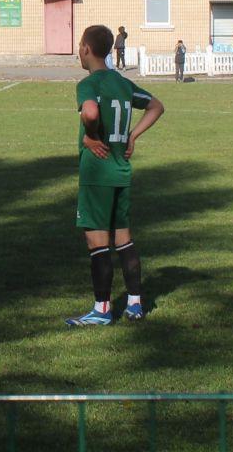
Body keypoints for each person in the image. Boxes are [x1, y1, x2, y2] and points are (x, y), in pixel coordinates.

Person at [65, 23, 165, 326]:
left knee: (98, 243)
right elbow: (157, 107)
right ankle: (135, 303)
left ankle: (102, 310)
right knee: (124, 239)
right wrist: (132, 135)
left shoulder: (89, 83)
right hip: (122, 169)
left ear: (85, 49)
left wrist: (92, 136)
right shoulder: (123, 83)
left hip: (97, 171)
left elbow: (91, 112)